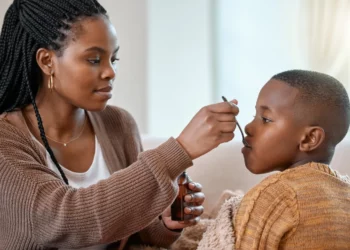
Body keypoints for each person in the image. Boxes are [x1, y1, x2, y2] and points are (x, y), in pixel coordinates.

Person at [0, 0, 240, 249]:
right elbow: (67, 220)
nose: (110, 72)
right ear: (47, 61)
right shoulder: (5, 142)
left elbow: (134, 231)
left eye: (113, 59)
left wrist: (168, 222)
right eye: (94, 60)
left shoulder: (118, 125)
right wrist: (179, 150)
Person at [233, 70, 350, 249]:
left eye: (265, 119)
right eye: (253, 117)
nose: (248, 127)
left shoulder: (274, 196)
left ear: (310, 139)